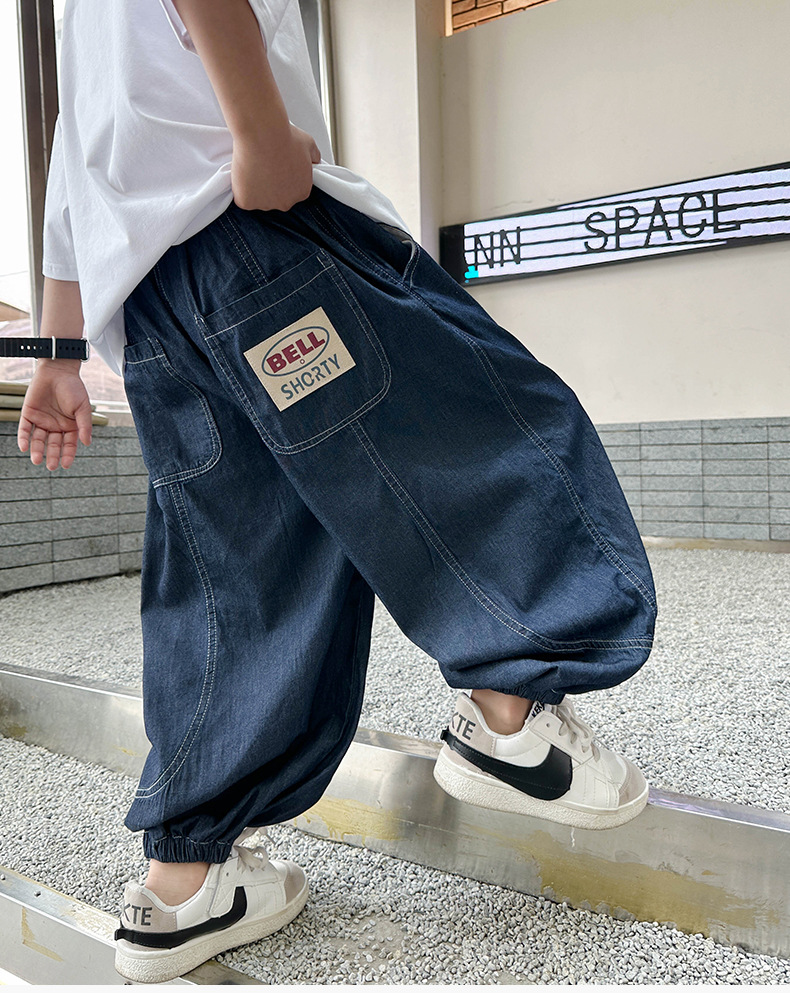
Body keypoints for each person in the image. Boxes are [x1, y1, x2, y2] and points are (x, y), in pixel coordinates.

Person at [16, 0, 657, 983]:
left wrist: (58, 353)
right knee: (471, 419)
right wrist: (260, 136)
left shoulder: (75, 20)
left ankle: (186, 881)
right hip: (247, 234)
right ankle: (512, 717)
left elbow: (71, 164)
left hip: (154, 319)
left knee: (238, 570)